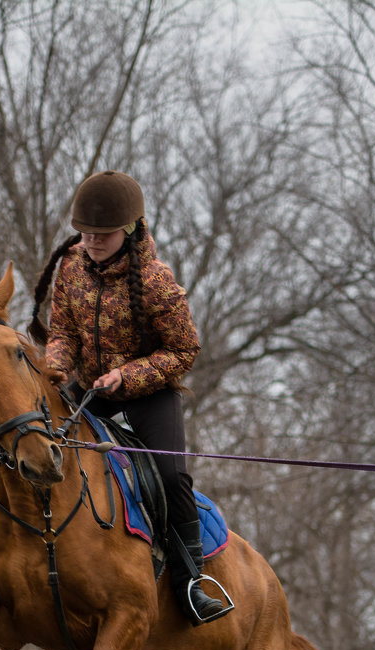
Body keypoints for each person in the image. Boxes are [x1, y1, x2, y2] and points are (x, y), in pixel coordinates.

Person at [28, 170, 230, 626]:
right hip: (90, 387)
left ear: (131, 228)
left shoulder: (157, 281)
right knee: (42, 440)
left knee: (171, 475)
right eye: (86, 232)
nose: (92, 241)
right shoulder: (71, 267)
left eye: (103, 234)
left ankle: (191, 583)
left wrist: (127, 375)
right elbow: (62, 333)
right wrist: (55, 365)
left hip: (148, 393)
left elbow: (184, 350)